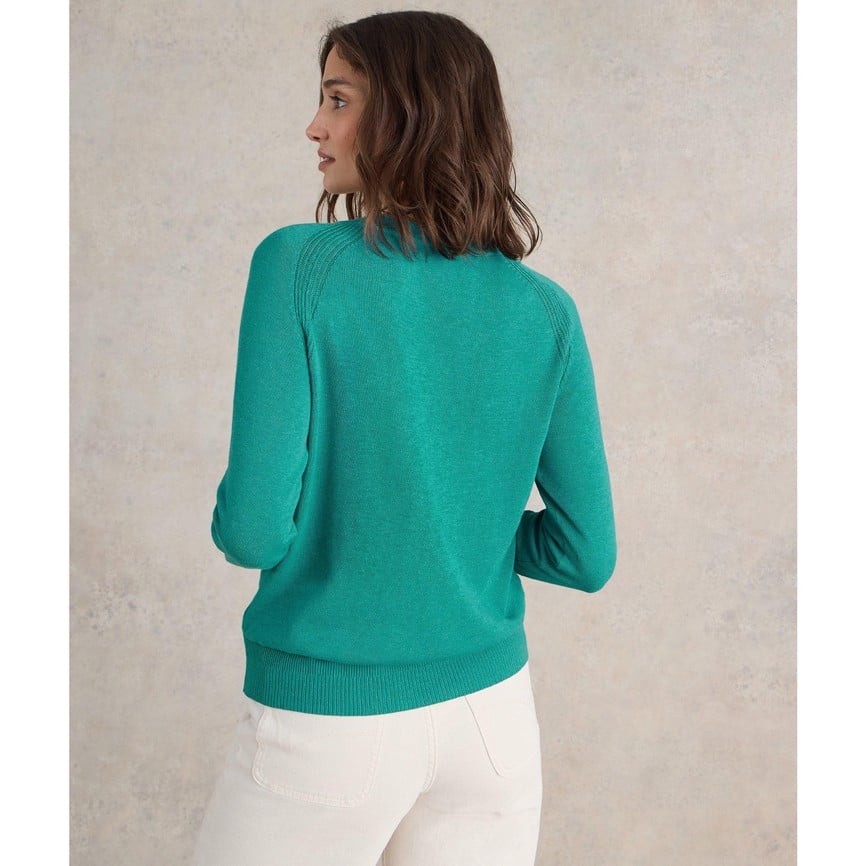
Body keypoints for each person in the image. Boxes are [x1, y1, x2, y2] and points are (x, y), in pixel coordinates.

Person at [192, 10, 616, 866]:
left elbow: (252, 533)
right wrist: (452, 528)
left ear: (406, 114)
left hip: (330, 721)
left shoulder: (298, 266)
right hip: (492, 724)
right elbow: (586, 555)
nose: (315, 127)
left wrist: (383, 519)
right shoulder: (545, 311)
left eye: (338, 100)